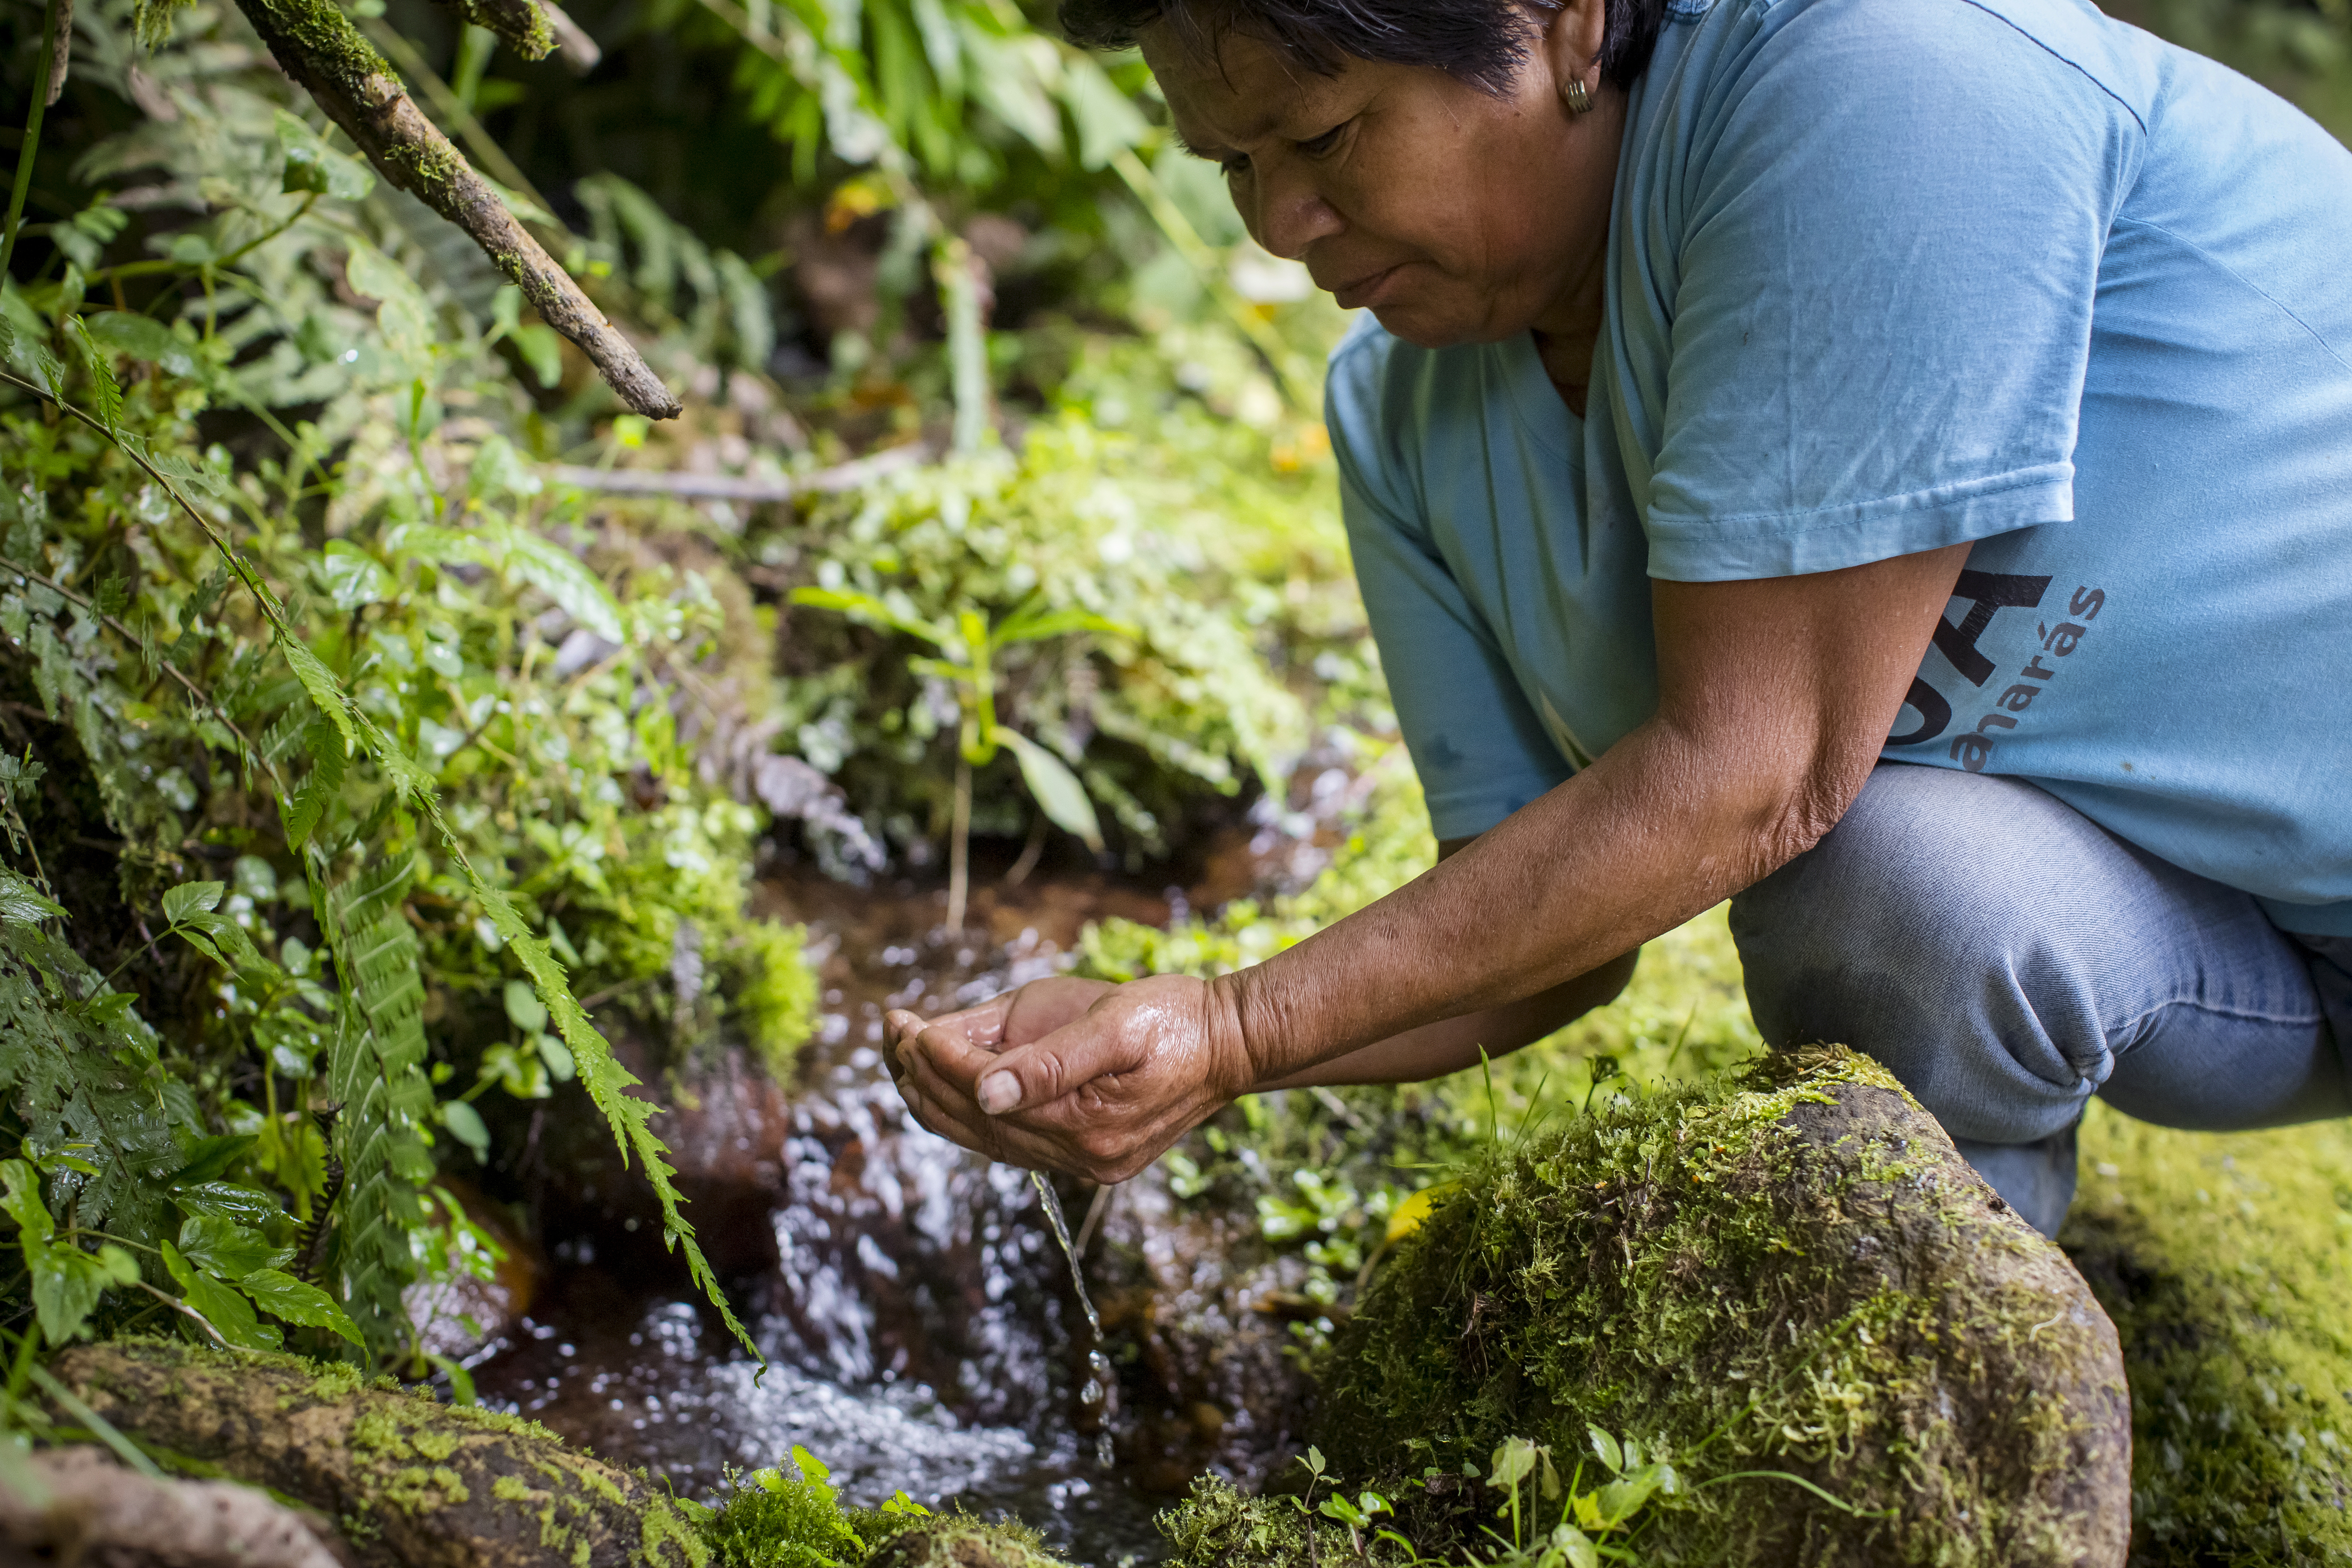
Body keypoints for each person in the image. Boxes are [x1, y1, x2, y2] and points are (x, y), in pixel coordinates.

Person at [884, 0, 2352, 1238]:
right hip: (2195, 948)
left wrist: (1238, 1025)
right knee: (1892, 893)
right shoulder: (1403, 421)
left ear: (1570, 21)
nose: (1280, 228)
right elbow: (1542, 932)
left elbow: (1753, 771)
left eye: (1325, 135)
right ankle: (1982, 1386)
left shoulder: (1890, 74)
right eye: (1232, 165)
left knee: (1834, 839)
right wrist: (1153, 1043)